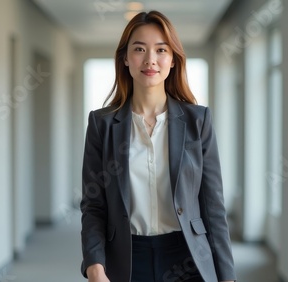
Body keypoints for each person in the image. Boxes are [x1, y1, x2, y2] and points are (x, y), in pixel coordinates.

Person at [80, 10, 236, 282]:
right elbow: (93, 206)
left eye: (161, 50)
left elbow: (213, 207)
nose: (150, 59)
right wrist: (95, 265)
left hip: (187, 256)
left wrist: (228, 277)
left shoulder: (197, 121)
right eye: (139, 49)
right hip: (126, 259)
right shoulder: (101, 124)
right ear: (126, 58)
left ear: (173, 59)